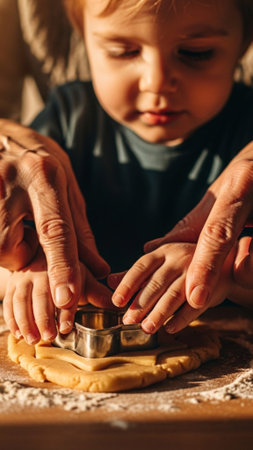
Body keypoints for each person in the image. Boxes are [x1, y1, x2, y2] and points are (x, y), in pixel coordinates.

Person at [2, 0, 253, 345]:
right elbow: (12, 237)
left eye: (197, 53)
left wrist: (221, 273)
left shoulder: (247, 131)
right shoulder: (68, 118)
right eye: (122, 51)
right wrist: (28, 268)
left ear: (243, 44)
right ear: (86, 40)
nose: (157, 83)